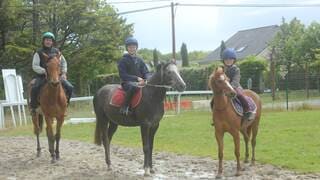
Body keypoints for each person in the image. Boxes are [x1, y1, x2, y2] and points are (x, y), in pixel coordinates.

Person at [30, 32, 73, 114]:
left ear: (52, 42)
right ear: (43, 41)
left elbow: (64, 63)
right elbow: (34, 65)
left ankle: (65, 105)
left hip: (56, 76)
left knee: (70, 87)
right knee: (34, 88)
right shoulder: (38, 52)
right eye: (46, 40)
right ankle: (34, 108)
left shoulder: (57, 52)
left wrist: (64, 73)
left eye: (50, 40)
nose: (48, 42)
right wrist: (43, 71)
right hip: (43, 76)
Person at [117, 37, 151, 115]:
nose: (132, 49)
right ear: (127, 48)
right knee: (134, 87)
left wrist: (147, 78)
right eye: (130, 47)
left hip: (141, 82)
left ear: (136, 48)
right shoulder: (123, 60)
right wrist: (136, 78)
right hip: (127, 83)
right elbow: (123, 75)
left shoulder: (140, 60)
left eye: (133, 47)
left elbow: (145, 71)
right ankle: (124, 107)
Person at [222, 48, 253, 121]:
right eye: (226, 59)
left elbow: (236, 80)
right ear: (223, 61)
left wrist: (231, 88)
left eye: (230, 59)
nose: (228, 61)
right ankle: (215, 116)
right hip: (224, 88)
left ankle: (247, 111)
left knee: (240, 95)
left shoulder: (236, 69)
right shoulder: (222, 69)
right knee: (214, 99)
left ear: (234, 60)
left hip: (235, 87)